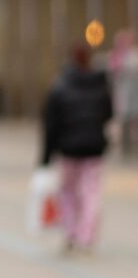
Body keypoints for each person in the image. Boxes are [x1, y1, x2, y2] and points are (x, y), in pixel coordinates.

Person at [41, 44, 113, 254]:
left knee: (68, 193)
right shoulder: (100, 85)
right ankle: (87, 235)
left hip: (69, 150)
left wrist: (46, 155)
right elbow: (108, 115)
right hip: (93, 149)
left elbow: (50, 123)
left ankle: (71, 233)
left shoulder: (60, 86)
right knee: (90, 193)